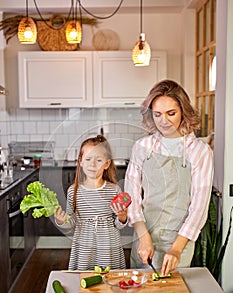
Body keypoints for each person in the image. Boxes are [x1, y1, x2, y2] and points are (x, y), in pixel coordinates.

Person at [125, 79, 214, 276]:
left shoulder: (199, 151)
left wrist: (176, 249)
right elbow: (131, 195)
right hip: (143, 234)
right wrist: (143, 236)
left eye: (170, 113)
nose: (163, 121)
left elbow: (199, 206)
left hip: (180, 238)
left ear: (183, 111)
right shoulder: (142, 147)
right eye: (157, 114)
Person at [54, 135, 127, 270]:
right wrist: (61, 221)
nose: (92, 164)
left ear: (107, 164)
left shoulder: (114, 190)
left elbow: (118, 224)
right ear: (81, 161)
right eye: (88, 159)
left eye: (98, 160)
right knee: (84, 279)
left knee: (110, 280)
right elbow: (72, 222)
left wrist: (122, 218)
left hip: (108, 246)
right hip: (84, 248)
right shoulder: (73, 191)